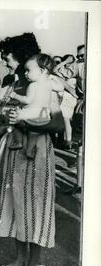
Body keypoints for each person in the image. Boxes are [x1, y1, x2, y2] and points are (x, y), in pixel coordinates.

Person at [0, 33, 58, 266]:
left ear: (22, 58)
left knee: (34, 208)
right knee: (14, 206)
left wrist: (23, 120)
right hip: (11, 150)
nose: (5, 62)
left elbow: (56, 122)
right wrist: (4, 122)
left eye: (7, 58)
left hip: (36, 152)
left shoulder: (44, 86)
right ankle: (19, 260)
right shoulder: (11, 83)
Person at [8, 54, 63, 159]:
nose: (25, 73)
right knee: (34, 133)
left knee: (16, 124)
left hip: (30, 114)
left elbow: (28, 100)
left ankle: (19, 142)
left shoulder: (32, 85)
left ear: (42, 71)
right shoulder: (50, 83)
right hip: (43, 115)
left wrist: (15, 95)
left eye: (28, 70)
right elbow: (60, 88)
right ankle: (29, 150)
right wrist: (53, 77)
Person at [63, 44, 86, 195]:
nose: (79, 59)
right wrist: (72, 90)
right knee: (80, 149)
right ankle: (78, 184)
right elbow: (59, 74)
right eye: (78, 56)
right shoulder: (78, 67)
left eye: (82, 56)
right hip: (83, 108)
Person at [53, 54, 79, 150]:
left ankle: (68, 141)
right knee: (64, 119)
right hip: (65, 97)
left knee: (66, 119)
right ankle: (67, 141)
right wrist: (64, 62)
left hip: (69, 98)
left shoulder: (71, 71)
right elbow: (55, 70)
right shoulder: (63, 71)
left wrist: (66, 62)